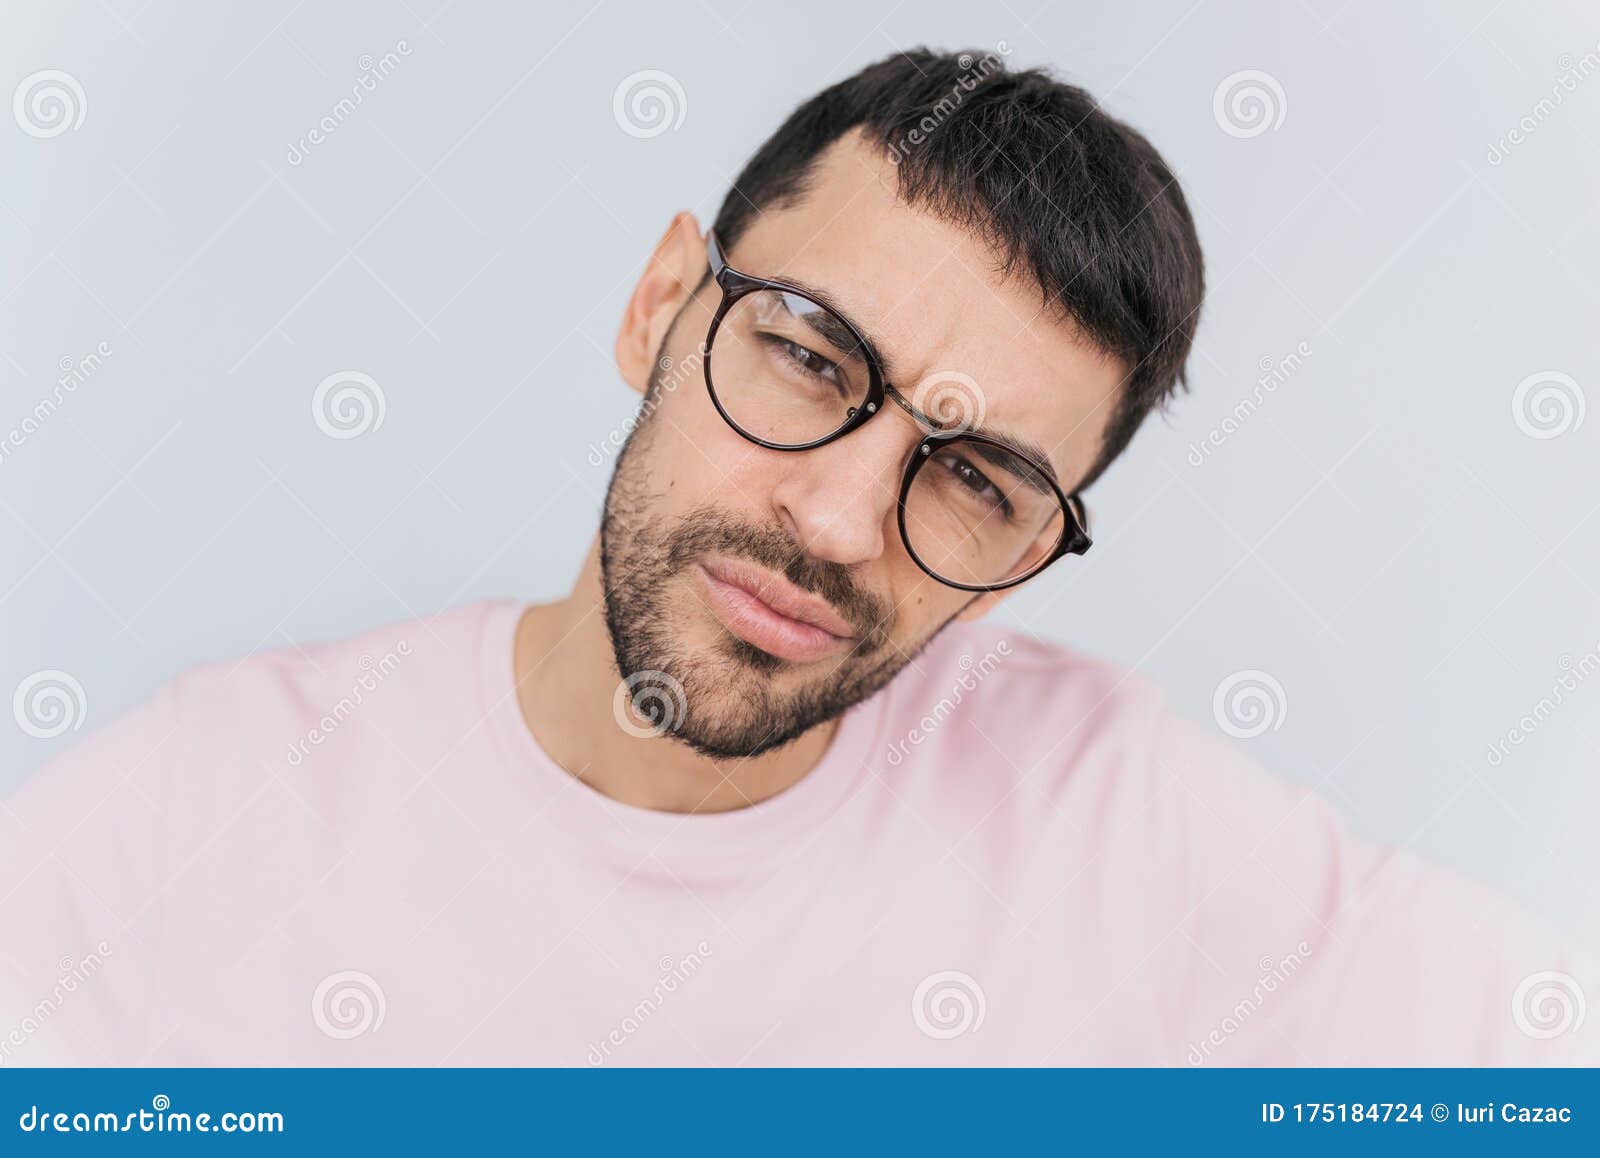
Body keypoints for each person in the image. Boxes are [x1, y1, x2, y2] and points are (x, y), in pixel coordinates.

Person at [2, 49, 1592, 1066]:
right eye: (813, 359)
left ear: (1031, 556)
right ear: (660, 303)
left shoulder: (1119, 821)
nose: (833, 524)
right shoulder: (192, 820)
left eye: (976, 480)